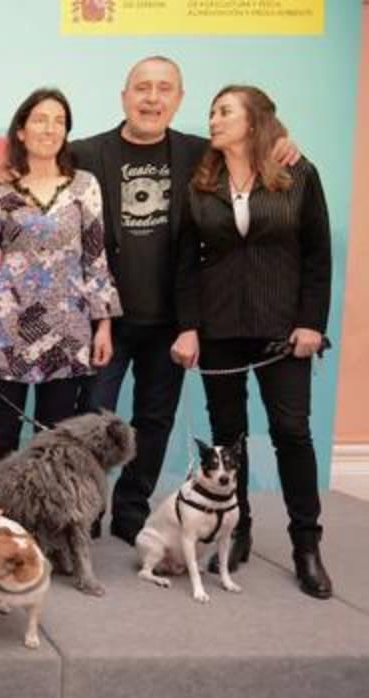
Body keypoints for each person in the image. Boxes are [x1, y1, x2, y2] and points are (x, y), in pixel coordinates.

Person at [69, 56, 298, 545]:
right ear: (124, 96)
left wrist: (282, 140)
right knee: (92, 420)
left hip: (174, 320)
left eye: (164, 89)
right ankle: (84, 512)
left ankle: (131, 512)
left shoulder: (202, 153)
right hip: (102, 320)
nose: (153, 98)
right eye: (143, 88)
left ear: (178, 99)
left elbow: (256, 149)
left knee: (154, 421)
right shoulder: (85, 153)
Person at [172, 85, 332, 599]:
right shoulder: (202, 178)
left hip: (282, 330)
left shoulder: (298, 172)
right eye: (212, 112)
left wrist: (311, 323)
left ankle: (306, 545)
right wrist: (189, 325)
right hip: (219, 329)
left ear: (254, 120)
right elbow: (185, 263)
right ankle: (235, 530)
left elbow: (317, 255)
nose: (213, 120)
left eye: (224, 112)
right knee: (229, 434)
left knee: (291, 431)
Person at [0, 89, 121, 470]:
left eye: (59, 121)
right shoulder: (0, 188)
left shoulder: (84, 186)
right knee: (1, 437)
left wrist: (104, 324)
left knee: (57, 438)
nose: (50, 128)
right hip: (3, 331)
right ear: (21, 131)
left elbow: (96, 259)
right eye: (41, 120)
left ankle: (48, 524)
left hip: (68, 330)